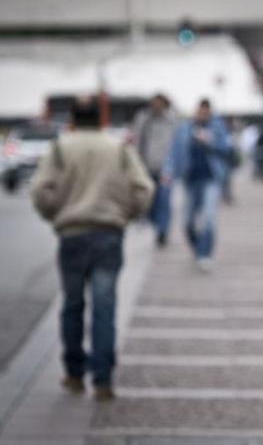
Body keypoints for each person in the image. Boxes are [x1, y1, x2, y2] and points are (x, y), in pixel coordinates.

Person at [30, 98, 154, 401]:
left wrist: (54, 214)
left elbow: (40, 189)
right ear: (100, 120)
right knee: (105, 306)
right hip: (109, 233)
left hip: (72, 233)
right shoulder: (118, 148)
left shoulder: (60, 148)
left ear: (72, 120)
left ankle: (74, 373)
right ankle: (102, 378)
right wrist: (127, 214)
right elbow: (144, 189)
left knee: (72, 304)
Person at [164, 99, 231, 272]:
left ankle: (205, 253)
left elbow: (227, 149)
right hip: (190, 179)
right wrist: (169, 170)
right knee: (187, 222)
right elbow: (174, 151)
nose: (202, 115)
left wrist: (210, 141)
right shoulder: (185, 128)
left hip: (211, 178)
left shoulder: (217, 127)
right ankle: (197, 247)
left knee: (209, 218)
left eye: (206, 112)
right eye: (200, 111)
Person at [131, 93, 178, 247]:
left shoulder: (172, 120)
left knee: (164, 200)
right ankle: (154, 224)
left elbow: (176, 144)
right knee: (149, 200)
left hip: (166, 167)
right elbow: (136, 140)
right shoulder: (143, 118)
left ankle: (162, 231)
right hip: (146, 165)